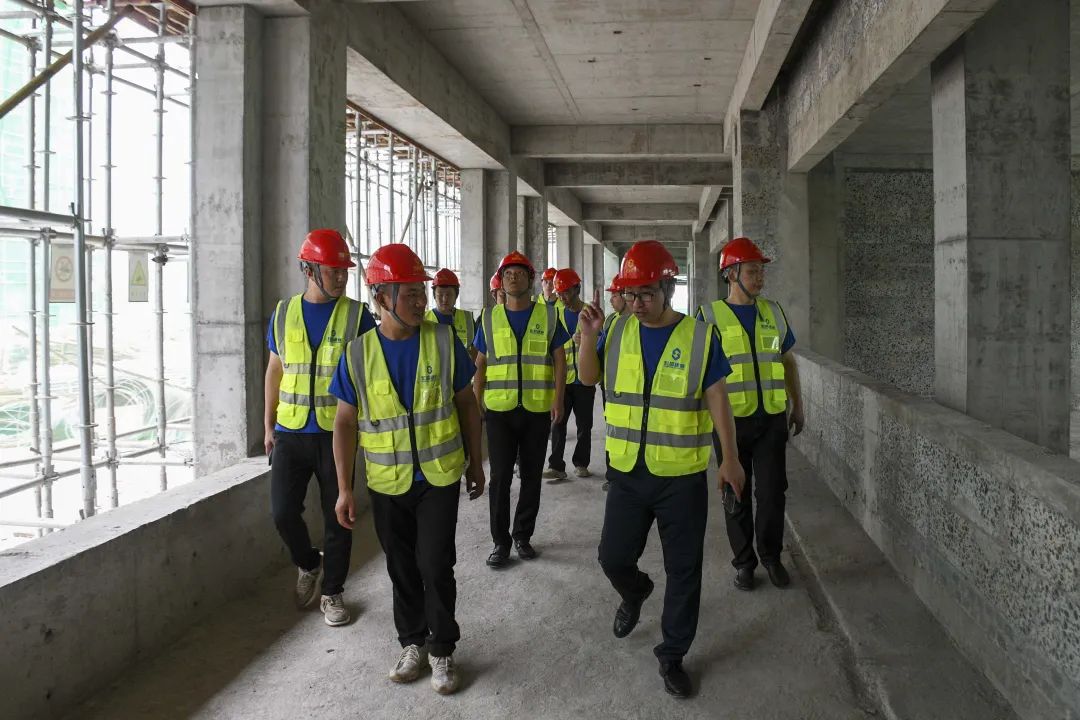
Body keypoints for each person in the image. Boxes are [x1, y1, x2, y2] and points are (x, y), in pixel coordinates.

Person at [577, 240, 746, 699]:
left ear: (668, 289)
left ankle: (672, 655)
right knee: (613, 557)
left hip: (681, 476)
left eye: (646, 294)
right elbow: (589, 378)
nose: (637, 303)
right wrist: (588, 337)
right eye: (630, 295)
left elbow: (717, 398)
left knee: (684, 570)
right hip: (628, 471)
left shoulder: (700, 336)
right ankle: (635, 591)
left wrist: (729, 459)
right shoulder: (616, 330)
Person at [330, 243, 485, 696]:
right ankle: (412, 642)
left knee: (435, 563)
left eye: (422, 291)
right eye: (410, 293)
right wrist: (344, 489)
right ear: (382, 297)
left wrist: (476, 462)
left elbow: (466, 404)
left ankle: (442, 649)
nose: (421, 301)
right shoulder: (357, 354)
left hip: (439, 475)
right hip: (387, 481)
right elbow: (344, 422)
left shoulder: (443, 341)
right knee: (401, 567)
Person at [263, 228, 376, 626]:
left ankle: (333, 592)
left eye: (344, 271)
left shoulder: (357, 316)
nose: (342, 277)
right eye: (334, 271)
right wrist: (268, 425)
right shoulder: (283, 314)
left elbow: (372, 371)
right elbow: (275, 370)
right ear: (309, 270)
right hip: (291, 431)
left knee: (339, 516)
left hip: (335, 433)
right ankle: (309, 563)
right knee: (282, 512)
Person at [698, 236, 804, 591]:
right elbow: (701, 374)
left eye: (761, 271)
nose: (760, 278)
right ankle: (744, 563)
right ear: (731, 274)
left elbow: (788, 362)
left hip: (772, 418)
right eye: (752, 271)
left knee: (773, 492)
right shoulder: (709, 317)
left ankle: (771, 557)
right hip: (730, 423)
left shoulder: (773, 311)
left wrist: (798, 405)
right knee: (736, 493)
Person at [473, 251, 568, 568]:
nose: (513, 278)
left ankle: (523, 535)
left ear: (531, 279)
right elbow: (480, 364)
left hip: (536, 409)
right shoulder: (489, 318)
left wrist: (558, 398)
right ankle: (500, 542)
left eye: (520, 273)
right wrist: (476, 401)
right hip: (499, 411)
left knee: (531, 476)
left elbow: (559, 358)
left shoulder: (548, 316)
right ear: (501, 281)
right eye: (508, 274)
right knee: (499, 477)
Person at [543, 268, 596, 481]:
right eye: (559, 293)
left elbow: (601, 341)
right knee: (558, 422)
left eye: (565, 292)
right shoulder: (553, 313)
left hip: (584, 379)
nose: (562, 297)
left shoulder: (590, 312)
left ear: (576, 289)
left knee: (584, 425)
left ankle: (581, 463)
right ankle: (556, 465)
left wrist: (589, 340)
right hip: (561, 379)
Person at [598, 273, 627, 491]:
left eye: (615, 295)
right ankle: (613, 475)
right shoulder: (610, 321)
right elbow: (601, 351)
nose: (611, 300)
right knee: (613, 432)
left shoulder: (639, 322)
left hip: (630, 387)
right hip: (610, 387)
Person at [426, 268, 476, 360]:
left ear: (456, 295)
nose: (444, 299)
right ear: (434, 296)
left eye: (449, 294)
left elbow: (475, 352)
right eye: (440, 295)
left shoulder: (468, 319)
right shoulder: (424, 319)